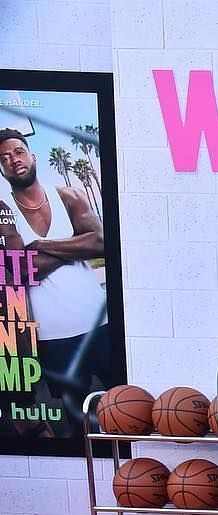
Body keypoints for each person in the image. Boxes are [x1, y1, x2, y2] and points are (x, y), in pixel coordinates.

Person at [0, 127, 110, 431]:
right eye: (4, 158)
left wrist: (44, 245)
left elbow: (102, 244)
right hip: (54, 336)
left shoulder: (67, 196)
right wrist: (76, 244)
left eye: (18, 152)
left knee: (126, 402)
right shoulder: (4, 212)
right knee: (80, 417)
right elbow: (21, 268)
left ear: (32, 156)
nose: (13, 160)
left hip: (99, 323)